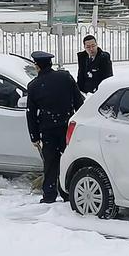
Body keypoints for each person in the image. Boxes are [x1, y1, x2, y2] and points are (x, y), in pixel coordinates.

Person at [26, 51, 84, 204]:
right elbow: (79, 100)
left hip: (48, 129)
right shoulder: (65, 77)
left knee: (50, 163)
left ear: (37, 66)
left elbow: (31, 114)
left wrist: (35, 137)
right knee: (67, 160)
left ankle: (49, 195)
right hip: (67, 125)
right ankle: (67, 193)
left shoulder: (33, 86)